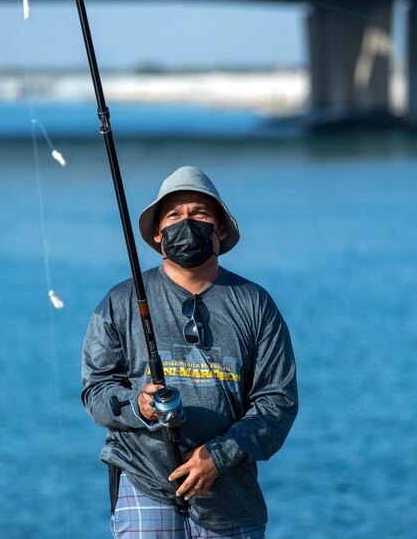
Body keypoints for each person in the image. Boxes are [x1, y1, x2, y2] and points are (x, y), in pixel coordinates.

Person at [81, 166, 298, 538]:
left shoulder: (255, 304)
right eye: (175, 215)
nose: (187, 223)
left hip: (231, 500)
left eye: (200, 215)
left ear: (221, 230)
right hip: (144, 481)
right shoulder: (119, 301)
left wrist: (219, 454)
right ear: (157, 234)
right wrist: (140, 405)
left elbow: (277, 403)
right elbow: (96, 391)